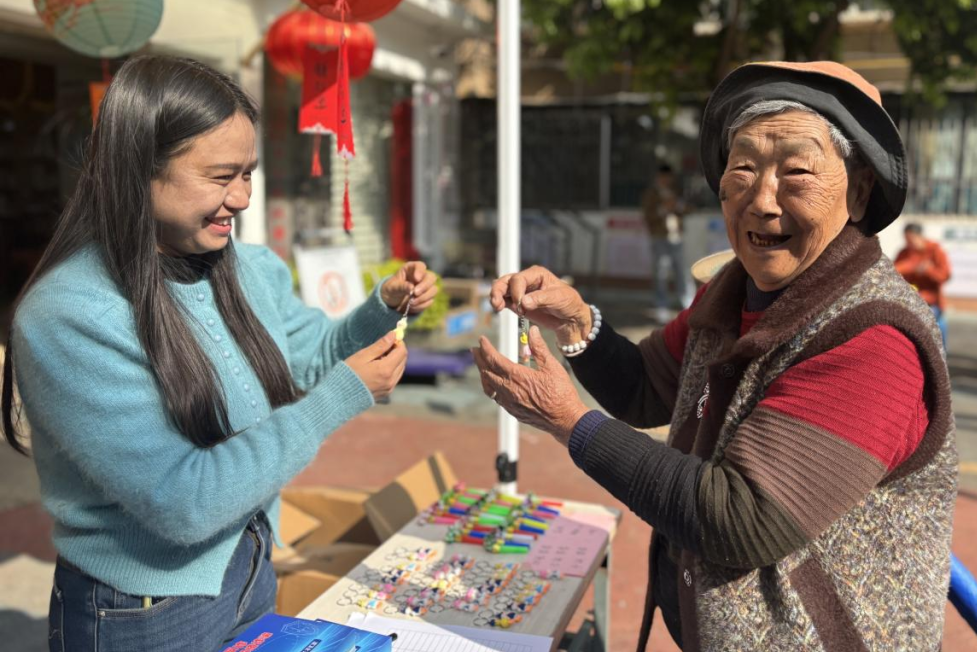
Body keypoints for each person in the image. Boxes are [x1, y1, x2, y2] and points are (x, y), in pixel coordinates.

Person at [474, 61, 955, 651]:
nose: (761, 200)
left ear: (857, 193)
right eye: (744, 168)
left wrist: (568, 422)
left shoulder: (875, 339)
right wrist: (578, 322)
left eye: (797, 170)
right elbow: (646, 388)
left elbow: (742, 519)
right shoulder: (731, 290)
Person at [0, 56, 438, 651]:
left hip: (249, 563)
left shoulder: (246, 267)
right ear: (138, 171)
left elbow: (307, 356)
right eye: (221, 176)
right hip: (144, 609)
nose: (243, 197)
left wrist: (380, 310)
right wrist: (339, 398)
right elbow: (185, 503)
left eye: (249, 173)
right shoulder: (72, 316)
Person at [642, 164, 692, 322]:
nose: (666, 180)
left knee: (682, 272)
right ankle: (661, 305)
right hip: (659, 237)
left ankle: (688, 303)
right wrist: (663, 209)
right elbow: (647, 216)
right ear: (658, 177)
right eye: (664, 177)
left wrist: (677, 206)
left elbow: (688, 209)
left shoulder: (675, 191)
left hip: (676, 237)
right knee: (661, 273)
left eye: (668, 177)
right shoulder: (651, 193)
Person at [896, 222, 952, 347]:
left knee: (937, 341)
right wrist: (912, 267)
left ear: (919, 236)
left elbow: (945, 275)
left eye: (910, 239)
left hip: (933, 303)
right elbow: (895, 271)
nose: (908, 243)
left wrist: (928, 270)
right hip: (912, 302)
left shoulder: (935, 250)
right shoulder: (904, 253)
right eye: (906, 240)